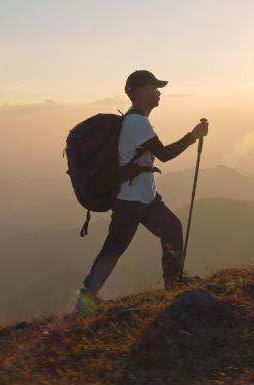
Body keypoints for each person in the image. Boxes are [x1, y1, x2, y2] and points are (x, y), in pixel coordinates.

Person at [75, 70, 209, 313]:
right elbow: (165, 155)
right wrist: (193, 136)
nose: (159, 92)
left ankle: (172, 281)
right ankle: (86, 300)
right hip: (130, 201)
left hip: (144, 198)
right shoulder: (136, 122)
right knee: (114, 248)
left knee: (171, 228)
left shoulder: (137, 120)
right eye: (154, 87)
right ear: (139, 92)